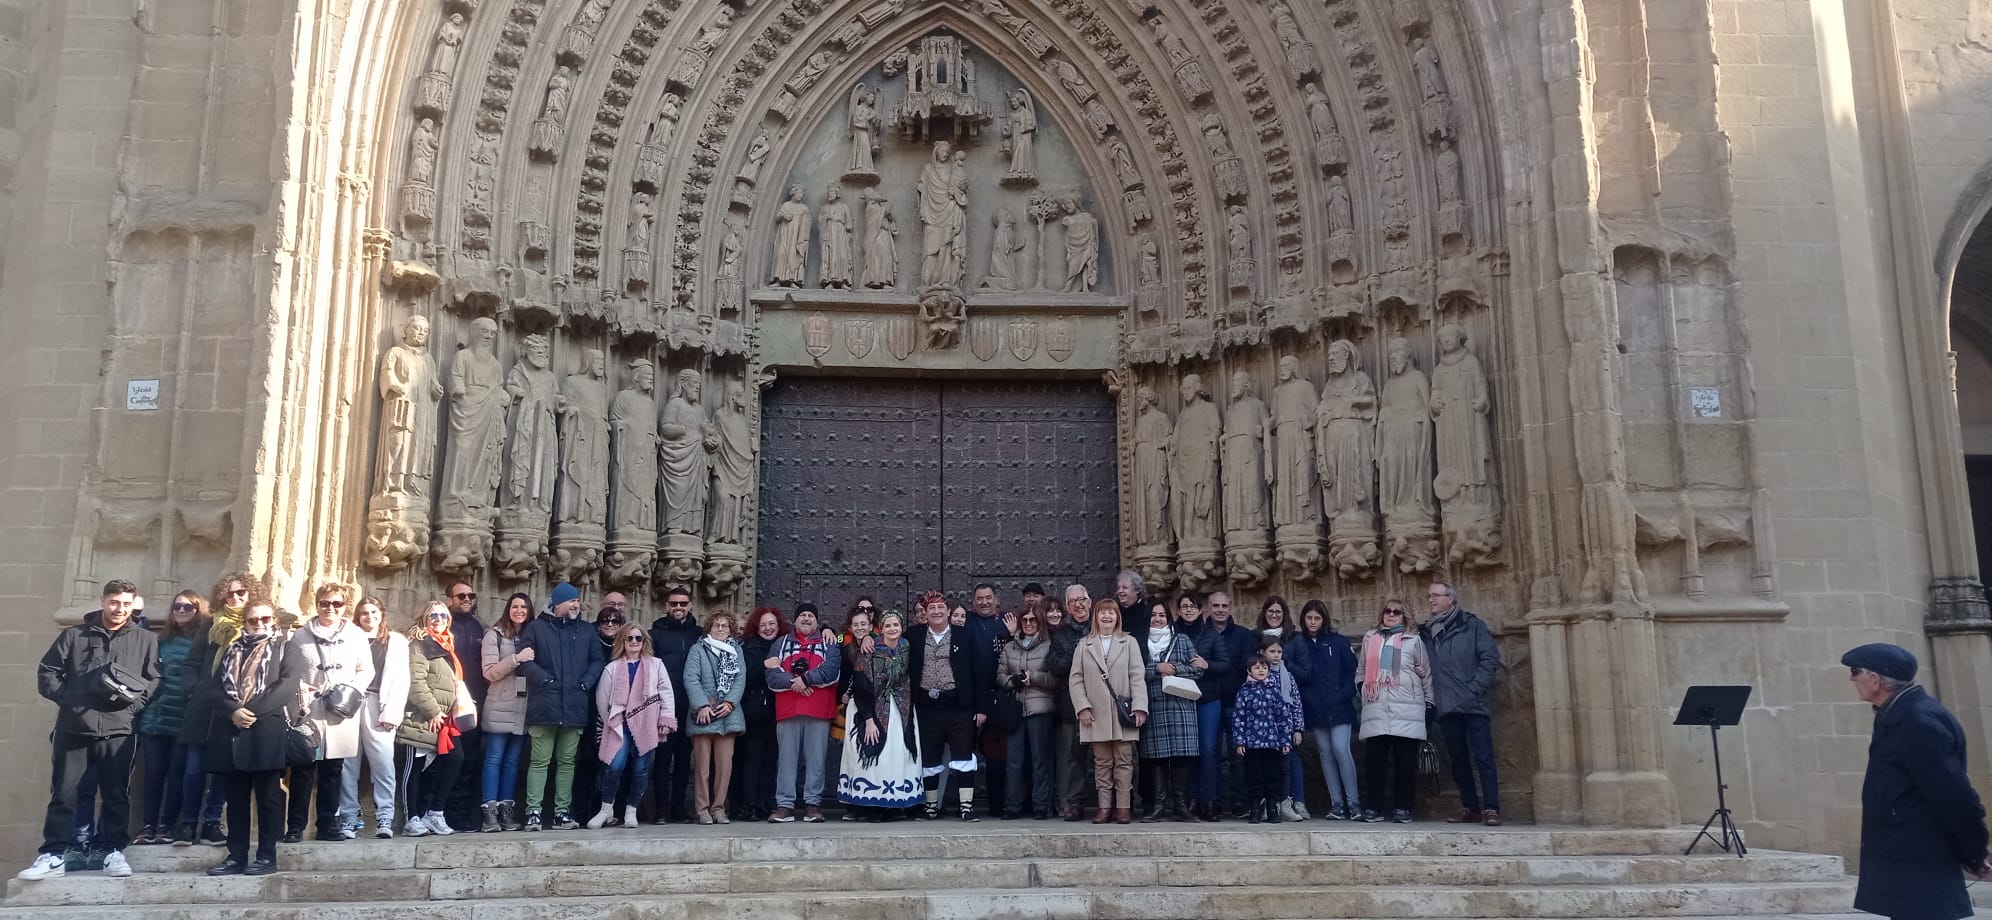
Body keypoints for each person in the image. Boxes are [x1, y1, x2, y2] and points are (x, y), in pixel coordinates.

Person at [19, 579, 160, 881]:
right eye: (114, 602)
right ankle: (53, 855)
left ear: (133, 605)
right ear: (103, 601)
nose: (119, 609)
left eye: (125, 604)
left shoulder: (145, 639)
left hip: (119, 731)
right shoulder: (74, 635)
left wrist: (132, 709)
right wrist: (68, 700)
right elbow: (48, 672)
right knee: (64, 795)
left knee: (116, 795)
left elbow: (153, 680)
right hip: (73, 729)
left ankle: (113, 853)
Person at [1842, 643, 1991, 920]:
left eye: (1855, 672)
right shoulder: (1897, 714)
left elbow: (1955, 795)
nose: (1851, 679)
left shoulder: (1918, 721)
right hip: (1906, 859)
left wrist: (1973, 849)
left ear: (1875, 679)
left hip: (1921, 859)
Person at [196, 602, 303, 878]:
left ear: (274, 621)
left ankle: (267, 855)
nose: (258, 623)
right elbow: (210, 685)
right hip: (230, 729)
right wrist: (232, 710)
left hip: (265, 728)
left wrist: (250, 712)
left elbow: (287, 685)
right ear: (245, 622)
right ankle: (236, 856)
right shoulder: (229, 648)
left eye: (264, 618)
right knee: (236, 799)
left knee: (269, 798)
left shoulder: (285, 647)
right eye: (252, 619)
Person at [285, 582, 372, 841]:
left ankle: (326, 825)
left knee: (333, 770)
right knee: (302, 769)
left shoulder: (355, 635)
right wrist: (301, 688)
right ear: (317, 604)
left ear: (344, 606)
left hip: (339, 710)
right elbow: (289, 670)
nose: (330, 608)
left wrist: (350, 689)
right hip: (308, 710)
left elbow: (366, 669)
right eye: (325, 603)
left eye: (337, 603)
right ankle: (295, 827)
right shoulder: (300, 635)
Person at [175, 573, 256, 848]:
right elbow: (191, 662)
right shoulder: (211, 623)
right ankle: (187, 824)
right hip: (202, 707)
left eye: (241, 592)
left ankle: (212, 823)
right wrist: (193, 689)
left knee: (223, 770)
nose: (235, 598)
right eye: (230, 593)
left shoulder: (254, 623)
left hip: (232, 706)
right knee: (193, 769)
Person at [517, 582, 602, 831]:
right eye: (571, 600)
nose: (576, 604)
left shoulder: (586, 630)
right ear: (557, 604)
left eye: (577, 600)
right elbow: (525, 661)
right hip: (545, 705)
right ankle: (533, 812)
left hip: (575, 706)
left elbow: (597, 661)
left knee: (567, 762)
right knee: (539, 761)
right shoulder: (536, 628)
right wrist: (545, 680)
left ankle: (561, 813)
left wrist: (585, 684)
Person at [1421, 580, 1502, 825]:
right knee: (1458, 760)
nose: (1431, 599)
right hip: (1446, 706)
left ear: (1451, 599)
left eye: (1436, 595)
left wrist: (1474, 689)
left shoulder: (1472, 626)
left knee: (1484, 757)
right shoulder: (1426, 632)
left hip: (1473, 704)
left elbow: (1490, 658)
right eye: (1429, 596)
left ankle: (1491, 808)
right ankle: (1470, 806)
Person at [133, 589, 209, 845]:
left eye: (189, 607)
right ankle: (148, 824)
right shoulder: (160, 640)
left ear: (199, 611)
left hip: (183, 719)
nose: (182, 611)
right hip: (156, 716)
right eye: (178, 606)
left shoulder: (203, 641)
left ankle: (167, 824)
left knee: (177, 773)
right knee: (153, 773)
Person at [588, 624, 676, 829]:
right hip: (621, 725)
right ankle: (606, 809)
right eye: (630, 638)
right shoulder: (613, 667)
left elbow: (666, 692)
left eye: (639, 638)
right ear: (622, 642)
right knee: (614, 766)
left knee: (641, 768)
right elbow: (602, 698)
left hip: (647, 723)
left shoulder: (656, 665)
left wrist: (665, 719)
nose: (634, 642)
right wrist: (612, 721)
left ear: (645, 641)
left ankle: (631, 810)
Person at [840, 609, 925, 820]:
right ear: (881, 628)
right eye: (888, 625)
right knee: (875, 753)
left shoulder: (906, 647)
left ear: (901, 627)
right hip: (871, 708)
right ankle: (871, 805)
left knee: (898, 755)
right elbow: (861, 685)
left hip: (901, 709)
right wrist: (868, 719)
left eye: (896, 625)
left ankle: (896, 804)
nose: (892, 629)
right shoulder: (869, 649)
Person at [910, 591, 988, 821]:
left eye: (940, 608)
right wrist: (849, 638)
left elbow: (979, 671)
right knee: (930, 758)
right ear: (925, 613)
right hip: (927, 708)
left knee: (963, 756)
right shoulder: (913, 636)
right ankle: (931, 807)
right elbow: (889, 645)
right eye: (931, 609)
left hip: (959, 707)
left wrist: (981, 707)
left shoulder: (965, 635)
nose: (936, 612)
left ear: (948, 611)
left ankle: (966, 807)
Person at [1069, 597, 1144, 824]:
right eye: (1103, 612)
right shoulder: (1085, 645)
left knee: (1124, 761)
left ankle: (1123, 807)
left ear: (1117, 617)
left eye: (1112, 612)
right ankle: (1104, 807)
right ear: (1096, 616)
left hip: (1123, 713)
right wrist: (1082, 707)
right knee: (1101, 763)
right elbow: (1076, 679)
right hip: (1096, 713)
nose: (1107, 616)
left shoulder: (1129, 643)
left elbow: (1137, 676)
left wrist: (1140, 707)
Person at [398, 601, 469, 837]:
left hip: (444, 719)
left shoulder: (446, 646)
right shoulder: (419, 644)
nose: (438, 619)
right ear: (424, 619)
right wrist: (432, 711)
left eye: (442, 615)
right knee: (413, 768)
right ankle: (412, 818)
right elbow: (416, 682)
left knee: (454, 759)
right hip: (422, 717)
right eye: (433, 615)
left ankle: (434, 812)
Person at [1356, 599, 1429, 823]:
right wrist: (1362, 687)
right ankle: (1374, 807)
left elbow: (1426, 673)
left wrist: (1430, 703)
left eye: (1396, 612)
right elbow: (1361, 670)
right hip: (1377, 707)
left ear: (1404, 616)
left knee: (1405, 764)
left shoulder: (1413, 640)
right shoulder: (1371, 639)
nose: (1391, 615)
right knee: (1375, 763)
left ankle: (1403, 807)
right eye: (1387, 611)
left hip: (1407, 708)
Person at [342, 596, 408, 838]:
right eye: (364, 613)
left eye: (373, 612)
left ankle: (385, 817)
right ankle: (349, 817)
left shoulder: (396, 641)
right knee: (348, 763)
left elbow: (402, 679)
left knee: (383, 763)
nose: (369, 617)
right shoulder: (348, 638)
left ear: (382, 614)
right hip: (350, 702)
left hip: (378, 703)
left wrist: (392, 710)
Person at [767, 603, 840, 822]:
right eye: (802, 615)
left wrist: (806, 679)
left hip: (818, 710)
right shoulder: (780, 643)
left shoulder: (830, 642)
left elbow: (832, 670)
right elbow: (771, 675)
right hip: (788, 710)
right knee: (786, 759)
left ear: (818, 621)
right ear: (795, 620)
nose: (806, 618)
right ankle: (785, 805)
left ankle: (812, 804)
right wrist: (795, 682)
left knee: (816, 760)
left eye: (811, 615)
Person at [1290, 598, 1360, 820]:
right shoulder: (1298, 643)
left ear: (1324, 619)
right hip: (1315, 707)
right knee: (1326, 755)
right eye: (1309, 618)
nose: (1312, 622)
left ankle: (1354, 802)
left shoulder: (1337, 642)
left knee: (1341, 750)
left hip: (1338, 706)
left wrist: (1344, 694)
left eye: (1317, 618)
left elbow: (1352, 671)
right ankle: (1337, 803)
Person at [1137, 599, 1205, 822]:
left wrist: (1174, 669)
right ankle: (1159, 806)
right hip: (1153, 704)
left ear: (1168, 618)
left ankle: (1181, 805)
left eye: (1162, 615)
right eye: (1154, 615)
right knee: (1157, 757)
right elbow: (1132, 671)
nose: (1157, 619)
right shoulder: (1139, 642)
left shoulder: (1182, 640)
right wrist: (1156, 668)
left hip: (1180, 705)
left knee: (1181, 756)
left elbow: (1198, 668)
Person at [1173, 592, 1232, 821]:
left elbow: (1225, 664)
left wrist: (1207, 664)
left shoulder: (1211, 635)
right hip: (1180, 698)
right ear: (1178, 610)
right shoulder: (1172, 634)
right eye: (1184, 606)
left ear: (1201, 610)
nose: (1188, 610)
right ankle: (1189, 800)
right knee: (1187, 752)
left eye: (1193, 606)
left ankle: (1210, 800)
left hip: (1208, 699)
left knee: (1208, 750)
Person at [479, 593, 535, 831]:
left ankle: (506, 811)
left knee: (513, 762)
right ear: (507, 609)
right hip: (500, 705)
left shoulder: (533, 634)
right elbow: (489, 672)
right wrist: (516, 658)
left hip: (524, 706)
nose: (519, 610)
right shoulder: (494, 634)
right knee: (494, 759)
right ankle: (489, 813)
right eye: (515, 606)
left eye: (523, 606)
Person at [683, 612, 745, 825]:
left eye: (725, 626)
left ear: (731, 629)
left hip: (728, 716)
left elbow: (740, 678)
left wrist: (730, 702)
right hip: (704, 715)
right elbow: (691, 678)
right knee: (702, 766)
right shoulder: (698, 649)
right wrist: (701, 705)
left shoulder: (736, 651)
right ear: (709, 628)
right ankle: (702, 809)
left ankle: (719, 807)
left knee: (725, 765)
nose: (720, 628)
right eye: (716, 625)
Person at [645, 586, 700, 824]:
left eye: (683, 604)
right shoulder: (654, 634)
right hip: (663, 707)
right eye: (674, 604)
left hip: (691, 706)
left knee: (684, 759)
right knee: (663, 760)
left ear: (690, 606)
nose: (679, 608)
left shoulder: (699, 634)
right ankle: (660, 809)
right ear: (667, 606)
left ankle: (679, 807)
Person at [997, 607, 1056, 819]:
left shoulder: (1049, 646)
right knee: (1013, 761)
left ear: (1039, 622)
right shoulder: (1010, 647)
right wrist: (1013, 681)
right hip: (1015, 709)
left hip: (1040, 709)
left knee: (1040, 760)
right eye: (1025, 620)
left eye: (1033, 620)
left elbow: (1055, 679)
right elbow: (1000, 676)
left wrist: (1035, 678)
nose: (1029, 624)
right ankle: (1012, 806)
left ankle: (1041, 805)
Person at [1203, 591, 1258, 817]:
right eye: (1215, 605)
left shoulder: (1243, 635)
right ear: (1208, 608)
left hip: (1235, 702)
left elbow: (1249, 667)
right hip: (1208, 701)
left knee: (1238, 753)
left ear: (1230, 607)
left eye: (1224, 606)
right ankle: (1212, 802)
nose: (1220, 610)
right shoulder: (1201, 633)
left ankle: (1239, 802)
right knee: (1210, 752)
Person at [1230, 654, 1302, 824]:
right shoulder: (1244, 692)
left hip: (1272, 743)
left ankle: (1272, 809)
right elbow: (1238, 718)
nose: (1261, 670)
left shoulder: (1275, 691)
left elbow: (1284, 718)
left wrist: (1285, 741)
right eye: (1256, 667)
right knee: (1253, 777)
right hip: (1252, 744)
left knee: (1272, 777)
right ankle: (1255, 809)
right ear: (1249, 671)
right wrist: (1239, 741)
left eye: (1264, 667)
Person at [442, 582, 488, 833]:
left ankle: (460, 814)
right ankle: (438, 811)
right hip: (448, 702)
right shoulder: (445, 625)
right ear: (450, 599)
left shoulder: (477, 626)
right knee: (447, 758)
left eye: (471, 595)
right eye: (461, 595)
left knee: (469, 760)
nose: (467, 599)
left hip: (473, 703)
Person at [1045, 584, 1093, 820]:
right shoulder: (1061, 636)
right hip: (1071, 706)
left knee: (1110, 757)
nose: (1078, 604)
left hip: (1105, 705)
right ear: (1067, 607)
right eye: (1073, 601)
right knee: (1074, 759)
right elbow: (1056, 667)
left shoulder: (1102, 627)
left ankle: (1115, 802)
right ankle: (1073, 803)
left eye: (1082, 599)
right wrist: (1080, 651)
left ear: (1090, 601)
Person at [573, 601, 624, 822]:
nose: (610, 624)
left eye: (615, 621)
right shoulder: (591, 642)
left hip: (619, 711)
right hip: (591, 710)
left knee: (613, 763)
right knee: (588, 761)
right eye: (605, 620)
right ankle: (583, 812)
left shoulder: (627, 644)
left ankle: (611, 811)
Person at [731, 606, 783, 821]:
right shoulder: (747, 646)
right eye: (763, 625)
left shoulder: (783, 645)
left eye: (772, 624)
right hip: (755, 711)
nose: (768, 628)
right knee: (752, 759)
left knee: (771, 759)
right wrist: (764, 665)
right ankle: (748, 804)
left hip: (778, 710)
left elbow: (837, 638)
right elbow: (743, 677)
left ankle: (764, 802)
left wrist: (830, 631)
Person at [1259, 636, 1307, 821]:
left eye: (1279, 652)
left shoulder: (1287, 676)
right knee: (1266, 769)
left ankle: (1285, 803)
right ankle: (1268, 805)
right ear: (1262, 653)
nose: (1276, 655)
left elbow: (1296, 704)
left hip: (1284, 731)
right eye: (1272, 651)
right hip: (1262, 733)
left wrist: (1297, 729)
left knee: (1285, 768)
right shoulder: (1258, 674)